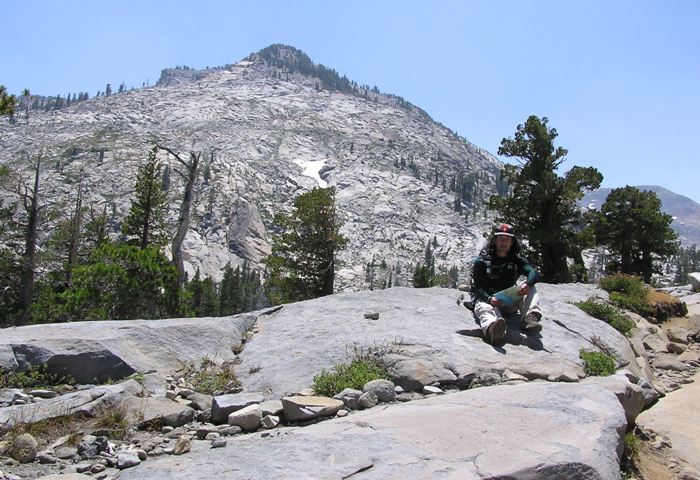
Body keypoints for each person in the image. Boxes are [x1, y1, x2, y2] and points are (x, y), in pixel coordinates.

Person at [471, 223, 542, 345]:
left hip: (510, 301)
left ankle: (530, 318)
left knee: (530, 286)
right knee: (484, 308)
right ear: (495, 241)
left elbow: (533, 273)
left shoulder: (517, 261)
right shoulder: (482, 262)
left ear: (512, 242)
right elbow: (478, 288)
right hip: (490, 301)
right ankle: (493, 329)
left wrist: (528, 284)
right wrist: (489, 299)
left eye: (507, 239)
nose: (504, 242)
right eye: (501, 238)